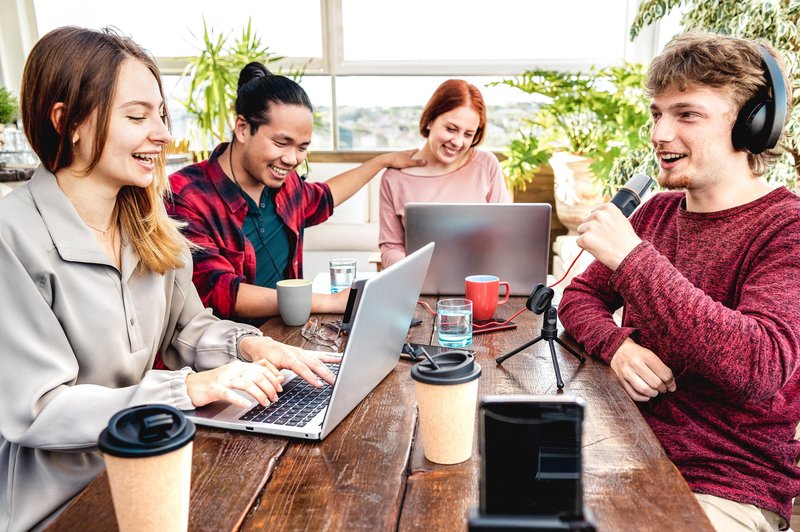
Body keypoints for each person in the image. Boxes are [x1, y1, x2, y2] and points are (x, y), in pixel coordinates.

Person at [0, 27, 340, 531]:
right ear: (67, 120)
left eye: (161, 114)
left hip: (160, 463)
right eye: (137, 116)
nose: (161, 133)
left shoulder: (152, 224)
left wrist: (253, 348)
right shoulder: (13, 237)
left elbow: (190, 328)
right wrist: (189, 389)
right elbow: (38, 409)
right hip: (63, 503)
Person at [558, 33, 800, 531]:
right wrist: (618, 345)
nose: (660, 134)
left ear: (753, 125)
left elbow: (760, 365)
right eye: (656, 113)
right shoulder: (656, 214)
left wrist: (632, 259)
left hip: (723, 484)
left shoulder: (787, 229)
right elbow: (580, 296)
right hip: (624, 450)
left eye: (687, 114)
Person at [167, 64, 425, 322]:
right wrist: (330, 301)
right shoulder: (184, 194)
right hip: (229, 349)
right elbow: (219, 292)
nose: (292, 159)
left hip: (288, 332)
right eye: (281, 143)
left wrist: (382, 161)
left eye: (302, 147)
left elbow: (326, 196)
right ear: (243, 128)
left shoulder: (284, 184)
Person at [378, 79, 511, 268]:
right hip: (419, 286)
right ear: (430, 119)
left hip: (478, 280)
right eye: (451, 129)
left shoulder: (486, 165)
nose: (457, 142)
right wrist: (414, 272)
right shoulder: (395, 178)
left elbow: (503, 234)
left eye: (468, 134)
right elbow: (391, 247)